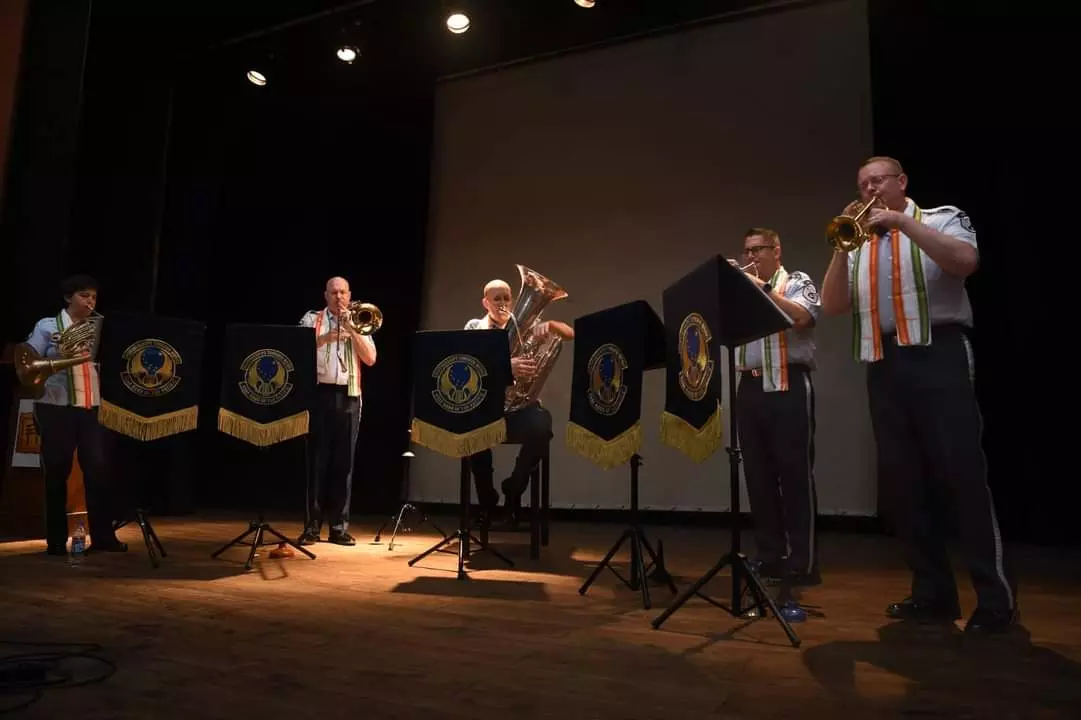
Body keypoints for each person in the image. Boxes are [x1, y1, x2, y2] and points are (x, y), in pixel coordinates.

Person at [820, 156, 1016, 634]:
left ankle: (995, 599)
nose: (869, 189)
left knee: (962, 474)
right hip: (884, 361)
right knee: (904, 482)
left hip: (939, 352)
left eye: (877, 180)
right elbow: (832, 304)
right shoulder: (860, 241)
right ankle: (933, 593)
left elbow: (965, 262)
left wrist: (903, 222)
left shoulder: (941, 218)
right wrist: (843, 248)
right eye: (862, 184)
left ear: (901, 182)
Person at [731, 229, 822, 601]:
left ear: (777, 250)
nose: (751, 256)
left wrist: (760, 287)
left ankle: (803, 562)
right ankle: (769, 557)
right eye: (747, 251)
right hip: (750, 386)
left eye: (758, 249)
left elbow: (803, 317)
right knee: (758, 477)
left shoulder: (796, 280)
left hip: (788, 383)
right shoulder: (741, 292)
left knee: (795, 475)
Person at [24, 274, 125, 556]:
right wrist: (61, 355)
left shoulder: (98, 328)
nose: (90, 302)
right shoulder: (47, 326)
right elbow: (30, 360)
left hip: (90, 406)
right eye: (84, 296)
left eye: (93, 297)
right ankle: (56, 541)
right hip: (55, 406)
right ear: (69, 298)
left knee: (98, 470)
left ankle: (103, 537)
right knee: (57, 471)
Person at [464, 278, 573, 527]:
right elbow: (469, 365)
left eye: (506, 298)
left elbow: (569, 334)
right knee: (471, 431)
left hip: (519, 408)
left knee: (542, 426)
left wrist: (552, 325)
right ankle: (487, 502)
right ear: (485, 303)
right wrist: (506, 366)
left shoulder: (525, 324)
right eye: (497, 299)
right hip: (487, 406)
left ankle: (514, 488)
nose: (503, 303)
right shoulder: (474, 327)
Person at [297, 276, 377, 547]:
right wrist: (326, 337)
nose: (339, 297)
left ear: (350, 295)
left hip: (349, 396)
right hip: (319, 394)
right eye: (334, 292)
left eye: (343, 292)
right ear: (326, 295)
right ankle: (312, 526)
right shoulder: (312, 319)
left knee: (344, 464)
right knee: (317, 462)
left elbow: (370, 358)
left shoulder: (360, 319)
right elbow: (297, 350)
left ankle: (339, 527)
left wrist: (352, 329)